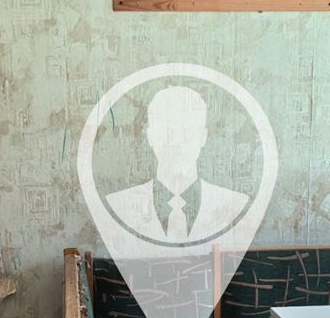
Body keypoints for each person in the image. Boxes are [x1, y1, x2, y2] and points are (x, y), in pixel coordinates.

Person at [104, 86, 249, 243]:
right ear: (151, 136)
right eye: (169, 132)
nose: (178, 141)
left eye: (188, 131)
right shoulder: (119, 206)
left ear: (203, 136)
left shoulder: (234, 204)